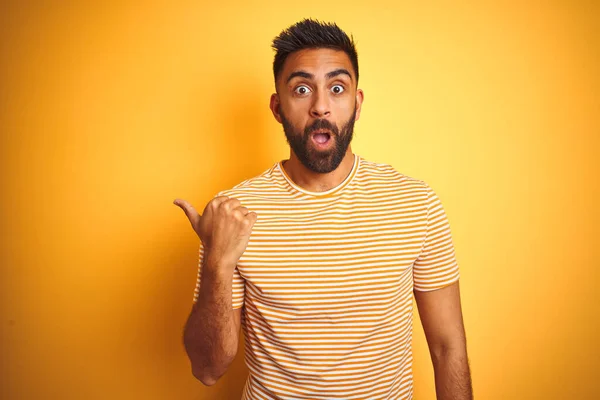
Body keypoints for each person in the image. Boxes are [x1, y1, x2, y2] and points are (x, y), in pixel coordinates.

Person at [174, 18, 473, 400]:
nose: (320, 107)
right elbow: (208, 370)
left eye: (336, 88)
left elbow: (448, 348)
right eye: (301, 89)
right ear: (278, 107)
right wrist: (217, 261)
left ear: (357, 103)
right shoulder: (234, 214)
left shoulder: (416, 204)